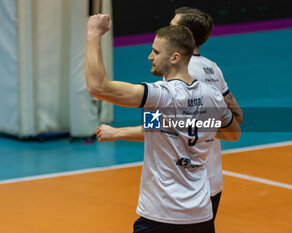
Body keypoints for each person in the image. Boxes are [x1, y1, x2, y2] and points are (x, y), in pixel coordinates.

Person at [86, 14, 241, 233]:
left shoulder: (162, 95)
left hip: (162, 216)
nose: (150, 57)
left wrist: (94, 34)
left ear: (175, 58)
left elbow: (98, 88)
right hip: (201, 215)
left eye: (156, 52)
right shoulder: (212, 95)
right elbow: (233, 133)